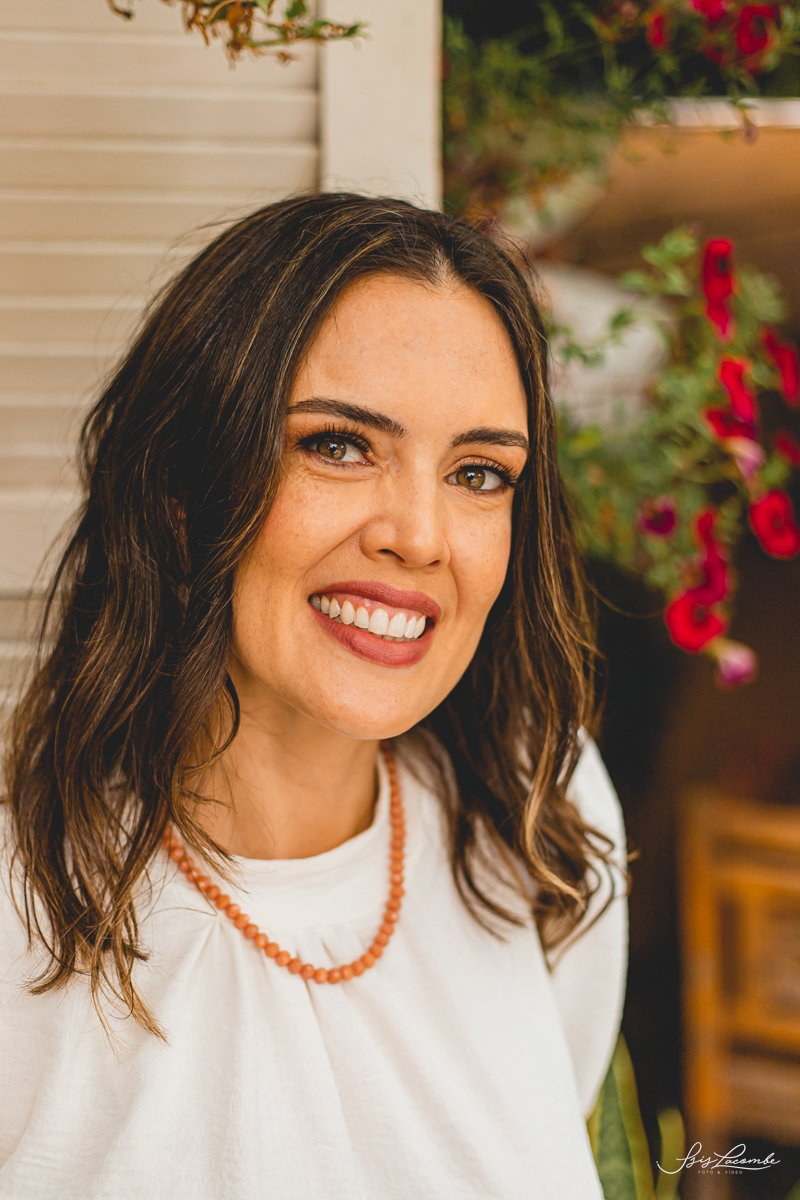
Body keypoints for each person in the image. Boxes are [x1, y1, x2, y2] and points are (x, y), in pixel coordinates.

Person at [0, 194, 627, 1200]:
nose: (418, 536)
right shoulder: (19, 913)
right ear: (180, 487)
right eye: (338, 445)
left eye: (478, 472)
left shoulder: (537, 807)